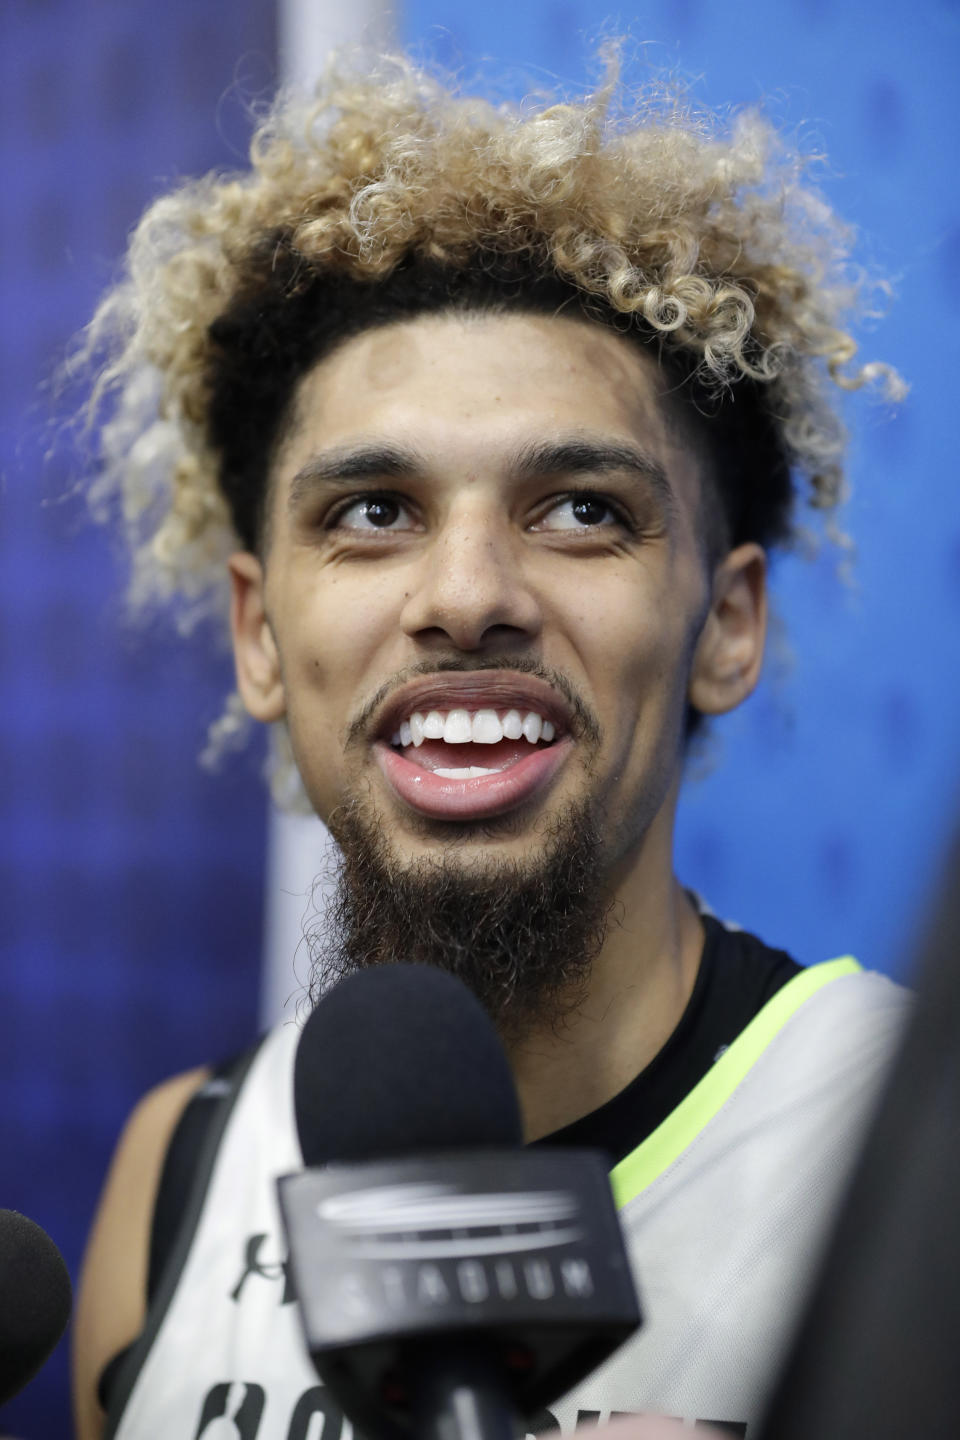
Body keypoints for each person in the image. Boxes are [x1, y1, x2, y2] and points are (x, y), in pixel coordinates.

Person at [71, 51, 909, 1440]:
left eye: (581, 510)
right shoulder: (176, 1165)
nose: (466, 596)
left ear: (727, 623)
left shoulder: (903, 1150)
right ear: (260, 636)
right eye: (373, 512)